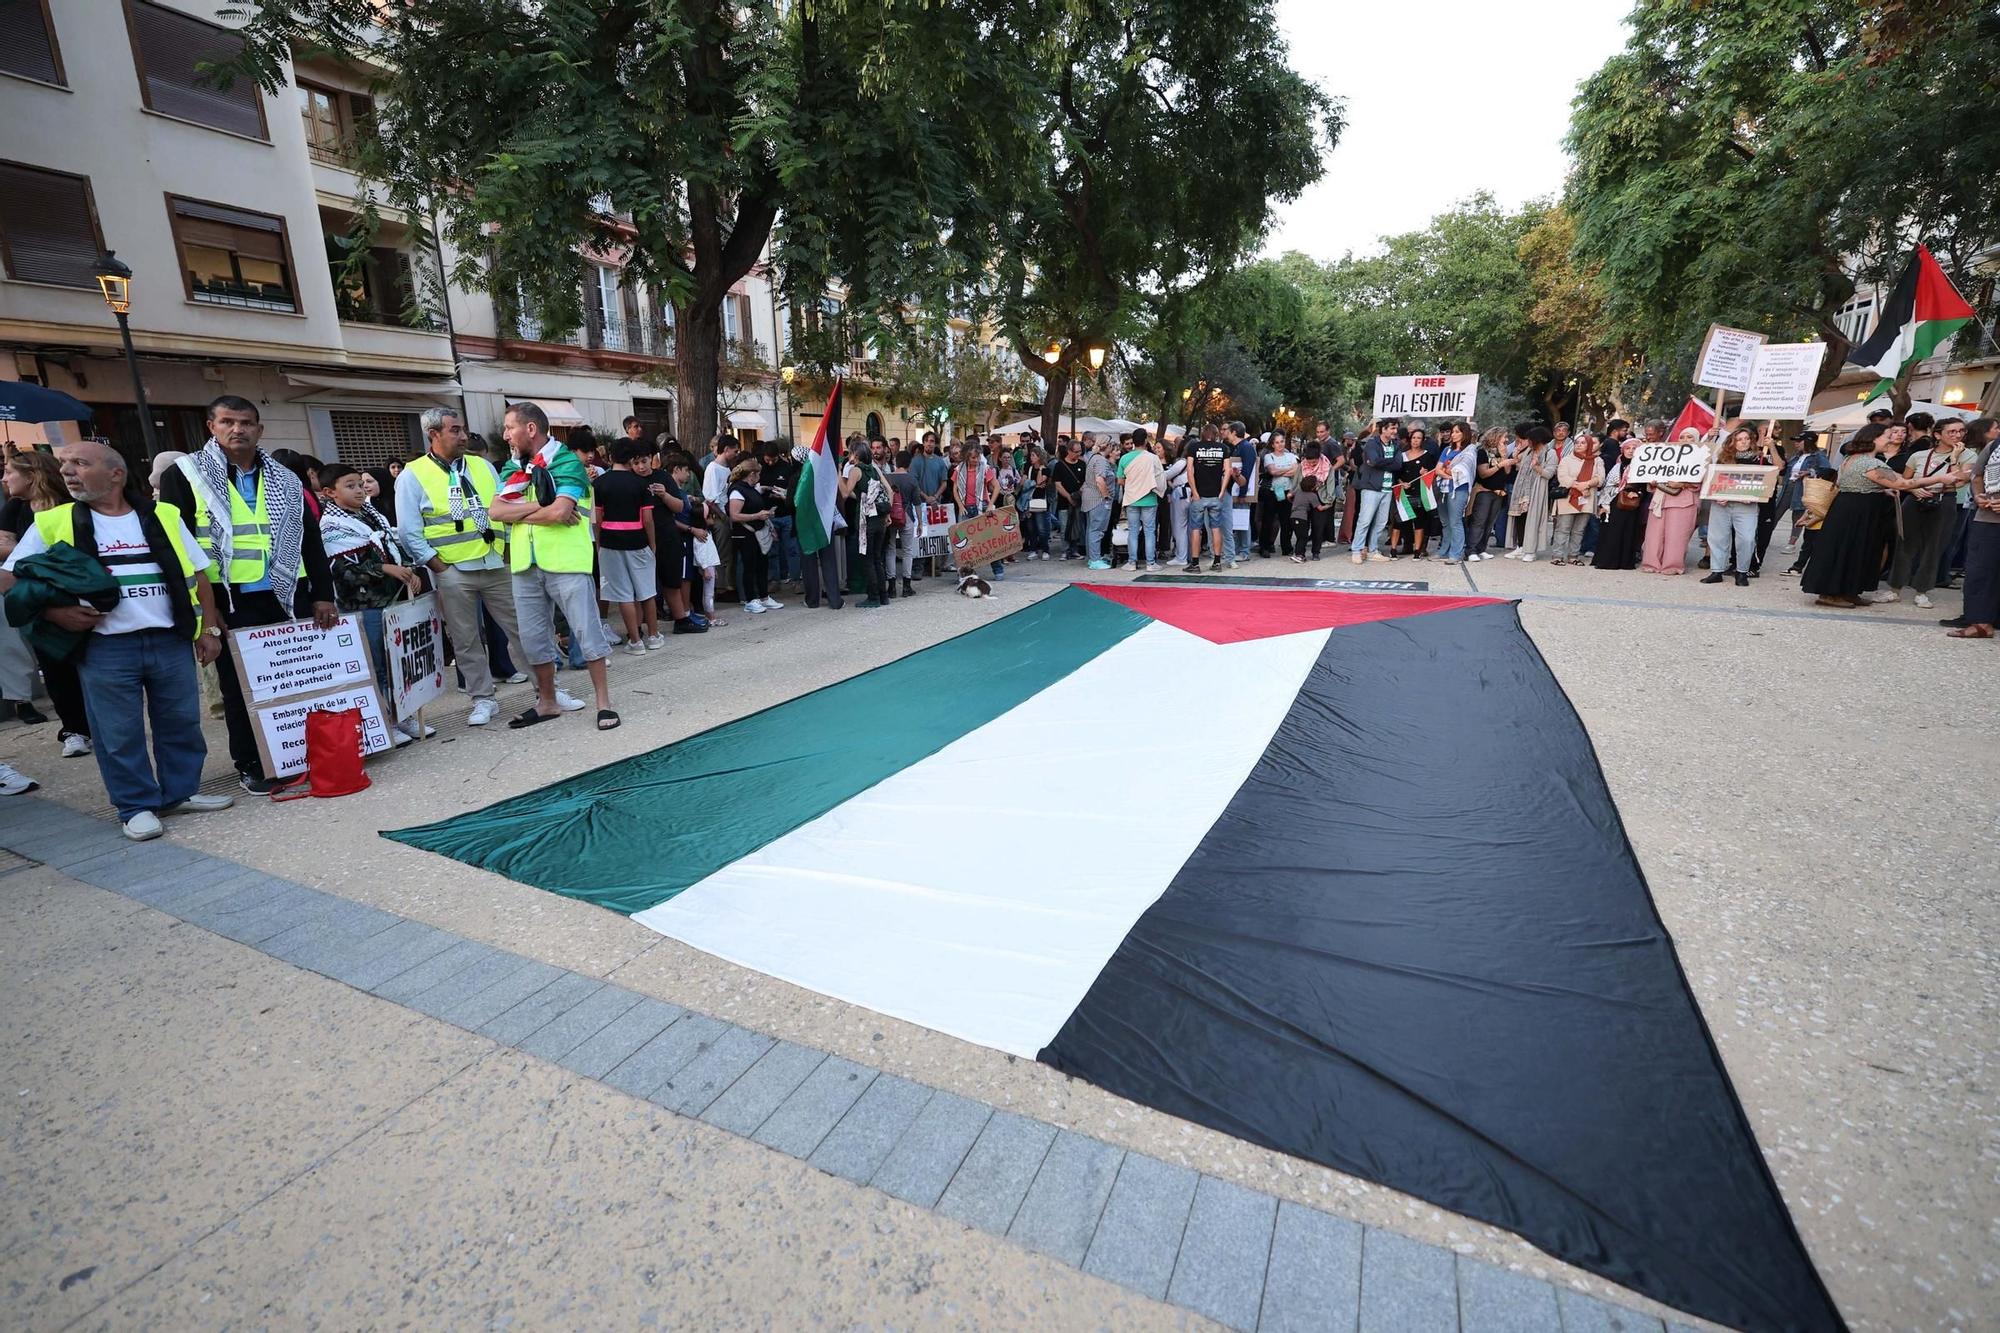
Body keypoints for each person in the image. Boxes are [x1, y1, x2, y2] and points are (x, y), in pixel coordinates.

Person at [0, 441, 231, 838]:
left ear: (116, 474)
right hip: (105, 646)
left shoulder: (163, 514)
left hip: (169, 639)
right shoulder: (53, 521)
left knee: (180, 723)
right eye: (64, 464)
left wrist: (209, 630)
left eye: (79, 463)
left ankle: (179, 793)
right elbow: (8, 578)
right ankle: (135, 806)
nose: (67, 471)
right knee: (118, 733)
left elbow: (199, 575)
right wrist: (55, 613)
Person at [156, 396, 338, 794]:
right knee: (239, 688)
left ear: (259, 429)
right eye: (227, 422)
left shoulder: (284, 478)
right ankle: (251, 763)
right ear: (211, 427)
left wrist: (323, 594)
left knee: (292, 679)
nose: (237, 429)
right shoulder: (185, 474)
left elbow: (310, 538)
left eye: (246, 422)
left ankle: (294, 754)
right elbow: (177, 546)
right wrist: (206, 609)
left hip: (287, 594)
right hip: (229, 599)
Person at [396, 407, 532, 727]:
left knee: (523, 628)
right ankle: (483, 698)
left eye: (463, 430)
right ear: (434, 434)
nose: (463, 436)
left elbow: (504, 509)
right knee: (465, 638)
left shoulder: (482, 466)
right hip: (454, 570)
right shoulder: (412, 475)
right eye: (455, 430)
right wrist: (438, 566)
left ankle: (547, 690)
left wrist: (507, 552)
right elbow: (409, 531)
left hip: (495, 562)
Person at [488, 401, 617, 730]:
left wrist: (526, 510)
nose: (505, 435)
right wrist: (541, 505)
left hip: (566, 561)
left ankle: (604, 703)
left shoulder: (566, 462)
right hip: (525, 565)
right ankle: (547, 702)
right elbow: (496, 512)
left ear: (530, 429)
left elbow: (561, 512)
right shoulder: (512, 467)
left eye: (510, 427)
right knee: (533, 639)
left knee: (587, 632)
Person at [318, 462, 431, 743]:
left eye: (360, 484)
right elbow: (342, 570)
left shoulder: (372, 515)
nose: (359, 490)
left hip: (393, 600)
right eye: (350, 486)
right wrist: (384, 569)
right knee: (377, 665)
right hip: (364, 605)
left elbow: (393, 547)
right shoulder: (332, 525)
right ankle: (384, 722)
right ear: (330, 492)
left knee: (397, 662)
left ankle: (403, 715)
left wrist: (408, 572)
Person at [1801, 424, 1961, 609]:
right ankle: (1832, 594)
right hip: (1858, 512)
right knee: (1850, 551)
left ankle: (1846, 591)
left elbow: (1858, 482)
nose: (1891, 440)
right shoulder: (1870, 463)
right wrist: (1939, 478)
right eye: (1887, 436)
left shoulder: (1852, 458)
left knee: (1850, 551)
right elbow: (1903, 483)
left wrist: (1882, 490)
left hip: (1849, 509)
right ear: (1873, 438)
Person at [0, 449, 87, 748]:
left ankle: (98, 725)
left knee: (88, 665)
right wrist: (42, 552)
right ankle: (74, 730)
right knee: (54, 667)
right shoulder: (15, 508)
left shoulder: (72, 505)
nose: (4, 478)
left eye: (9, 472)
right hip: (38, 600)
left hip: (77, 595)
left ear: (31, 475)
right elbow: (4, 548)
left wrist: (32, 554)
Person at [1888, 419, 1968, 609]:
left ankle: (1922, 591)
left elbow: (1959, 481)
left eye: (1961, 431)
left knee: (1934, 546)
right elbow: (1904, 480)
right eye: (1952, 431)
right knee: (1904, 543)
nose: (1957, 435)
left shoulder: (1968, 455)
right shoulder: (1919, 455)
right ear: (1937, 434)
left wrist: (1954, 458)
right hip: (1915, 500)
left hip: (1944, 499)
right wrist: (1914, 489)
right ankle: (1894, 589)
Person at [595, 438, 664, 652]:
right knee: (646, 591)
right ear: (632, 458)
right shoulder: (641, 484)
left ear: (610, 457)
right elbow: (648, 520)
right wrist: (652, 543)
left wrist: (599, 544)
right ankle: (653, 636)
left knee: (623, 594)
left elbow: (597, 519)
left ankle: (635, 641)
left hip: (610, 542)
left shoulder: (599, 483)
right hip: (638, 540)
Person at [1946, 417, 1999, 638]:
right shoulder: (1994, 446)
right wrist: (1979, 496)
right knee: (1980, 570)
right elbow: (1977, 475)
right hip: (1988, 518)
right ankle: (1981, 622)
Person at [1640, 429, 1704, 575]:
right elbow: (1653, 474)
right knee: (1654, 534)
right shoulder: (1666, 455)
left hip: (1684, 500)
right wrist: (1652, 481)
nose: (1685, 439)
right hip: (1660, 498)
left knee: (1677, 534)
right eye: (1682, 437)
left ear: (1696, 440)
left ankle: (1672, 565)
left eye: (1690, 437)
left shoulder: (1701, 457)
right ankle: (1651, 563)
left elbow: (1704, 480)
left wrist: (1683, 484)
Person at [841, 436, 893, 608]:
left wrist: (838, 475)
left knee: (867, 559)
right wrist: (887, 514)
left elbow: (845, 493)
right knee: (877, 558)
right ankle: (883, 595)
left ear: (856, 455)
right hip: (880, 519)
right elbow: (889, 491)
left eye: (851, 453)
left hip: (866, 521)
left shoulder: (855, 471)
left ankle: (873, 597)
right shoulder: (874, 469)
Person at [727, 457, 783, 613]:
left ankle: (764, 597)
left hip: (757, 532)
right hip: (745, 534)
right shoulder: (737, 490)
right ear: (752, 474)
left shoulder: (750, 488)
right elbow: (734, 515)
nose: (759, 477)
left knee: (762, 565)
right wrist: (757, 516)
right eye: (758, 474)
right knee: (749, 567)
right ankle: (750, 599)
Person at [1591, 433, 1649, 571]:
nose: (1630, 451)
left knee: (1628, 531)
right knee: (1611, 530)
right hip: (1614, 501)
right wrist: (1604, 503)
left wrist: (1637, 492)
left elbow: (1644, 486)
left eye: (1634, 448)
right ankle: (1608, 561)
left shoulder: (1642, 467)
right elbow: (1608, 484)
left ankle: (1624, 561)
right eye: (1627, 448)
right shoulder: (1617, 466)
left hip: (1631, 503)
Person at [1350, 419, 1402, 564]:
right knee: (1365, 520)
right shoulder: (1372, 444)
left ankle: (1373, 550)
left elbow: (1398, 464)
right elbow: (1373, 461)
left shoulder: (1396, 444)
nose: (1395, 431)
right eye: (1392, 428)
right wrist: (1388, 462)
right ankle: (1357, 550)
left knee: (1381, 522)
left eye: (1396, 428)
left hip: (1388, 488)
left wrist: (1381, 462)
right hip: (1371, 487)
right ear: (1383, 429)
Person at [1184, 428, 1234, 572]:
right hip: (1216, 495)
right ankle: (1217, 562)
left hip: (1199, 495)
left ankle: (1195, 563)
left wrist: (1194, 491)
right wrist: (1222, 491)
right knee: (1216, 528)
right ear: (1216, 435)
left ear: (1203, 434)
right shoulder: (1223, 448)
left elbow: (1189, 470)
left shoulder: (1194, 447)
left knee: (1196, 529)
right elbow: (1228, 471)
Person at [1504, 426, 1556, 559]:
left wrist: (1536, 466)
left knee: (1532, 520)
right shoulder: (1529, 451)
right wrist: (1516, 454)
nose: (1528, 441)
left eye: (1530, 439)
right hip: (1522, 490)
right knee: (1520, 518)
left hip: (1536, 491)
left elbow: (1549, 474)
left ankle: (1531, 550)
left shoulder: (1550, 453)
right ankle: (1520, 546)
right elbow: (1519, 463)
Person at [1548, 433, 1600, 565]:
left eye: (1583, 443)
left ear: (1589, 445)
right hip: (1568, 499)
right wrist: (1579, 486)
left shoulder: (1597, 460)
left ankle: (1573, 556)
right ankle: (1557, 556)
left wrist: (1586, 485)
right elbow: (1562, 477)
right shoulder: (1566, 459)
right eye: (1577, 442)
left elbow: (1600, 478)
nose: (1579, 445)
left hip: (1587, 499)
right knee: (1563, 528)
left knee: (1579, 530)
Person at [1117, 428, 1164, 571]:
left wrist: (1133, 484)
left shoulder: (1124, 458)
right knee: (1149, 531)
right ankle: (1150, 563)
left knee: (1133, 531)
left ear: (1133, 441)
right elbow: (1160, 479)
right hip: (1149, 499)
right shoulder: (1153, 458)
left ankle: (1132, 562)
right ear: (1145, 441)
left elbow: (1120, 480)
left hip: (1131, 499)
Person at [701, 435, 741, 599]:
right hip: (719, 515)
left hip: (726, 513)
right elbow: (710, 498)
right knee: (723, 552)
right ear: (726, 449)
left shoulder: (727, 468)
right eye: (735, 451)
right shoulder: (713, 468)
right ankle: (721, 588)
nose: (736, 454)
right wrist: (723, 516)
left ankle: (728, 585)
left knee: (729, 552)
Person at [1466, 427, 1513, 563]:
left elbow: (1508, 471)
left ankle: (1481, 549)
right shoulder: (1483, 452)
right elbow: (1483, 473)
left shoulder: (1502, 452)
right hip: (1484, 491)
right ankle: (1471, 550)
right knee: (1479, 521)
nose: (1506, 440)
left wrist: (1504, 456)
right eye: (1504, 437)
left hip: (1498, 491)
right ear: (1495, 437)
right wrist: (1500, 465)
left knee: (1490, 522)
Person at [1435, 422, 1477, 563]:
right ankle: (1444, 551)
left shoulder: (1470, 451)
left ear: (1465, 433)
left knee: (1455, 521)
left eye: (1457, 432)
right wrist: (1447, 474)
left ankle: (1456, 554)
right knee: (1445, 522)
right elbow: (1438, 469)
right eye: (1453, 432)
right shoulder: (1447, 450)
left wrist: (1447, 471)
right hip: (1444, 488)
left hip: (1459, 490)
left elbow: (1462, 471)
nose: (1453, 435)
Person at [761, 442, 801, 588]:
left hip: (785, 513)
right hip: (769, 514)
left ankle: (796, 579)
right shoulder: (760, 468)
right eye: (767, 460)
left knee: (792, 549)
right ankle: (774, 580)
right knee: (772, 550)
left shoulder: (786, 468)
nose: (770, 463)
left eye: (773, 459)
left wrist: (784, 495)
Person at [1291, 437, 1334, 561]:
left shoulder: (1327, 466)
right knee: (1303, 527)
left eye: (1314, 462)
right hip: (1304, 497)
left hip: (1320, 497)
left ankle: (1316, 552)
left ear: (1319, 457)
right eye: (1309, 462)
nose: (1311, 465)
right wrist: (1292, 493)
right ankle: (1300, 553)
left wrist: (1329, 499)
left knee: (1318, 527)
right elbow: (1296, 481)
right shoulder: (1302, 465)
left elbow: (1330, 483)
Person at [1257, 430, 1298, 558]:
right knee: (1268, 519)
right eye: (1277, 442)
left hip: (1287, 490)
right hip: (1273, 490)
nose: (1280, 444)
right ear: (1273, 444)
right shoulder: (1269, 457)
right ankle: (1265, 546)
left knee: (1286, 521)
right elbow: (1273, 471)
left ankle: (1286, 547)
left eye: (1282, 441)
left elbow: (1296, 471)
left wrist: (1281, 471)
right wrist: (1288, 470)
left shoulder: (1291, 456)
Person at [1080, 435, 1117, 571]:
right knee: (1097, 530)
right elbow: (1100, 480)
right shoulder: (1101, 461)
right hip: (1098, 499)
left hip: (1090, 498)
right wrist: (1106, 496)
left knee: (1091, 529)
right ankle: (1095, 559)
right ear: (1107, 446)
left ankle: (1093, 557)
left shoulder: (1093, 458)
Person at [1224, 422, 1257, 561]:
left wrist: (1243, 494)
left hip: (1241, 491)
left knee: (1242, 520)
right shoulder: (1238, 447)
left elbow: (1247, 472)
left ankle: (1244, 551)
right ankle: (1238, 549)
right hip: (1235, 490)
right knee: (1237, 521)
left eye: (1228, 431)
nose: (1226, 434)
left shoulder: (1246, 447)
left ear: (1234, 432)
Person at [1050, 439, 1085, 560]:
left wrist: (1079, 493)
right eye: (1076, 451)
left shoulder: (1082, 464)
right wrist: (1069, 497)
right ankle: (1065, 550)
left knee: (1077, 526)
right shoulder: (1059, 465)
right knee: (1065, 527)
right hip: (1064, 502)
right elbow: (1058, 484)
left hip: (1078, 500)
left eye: (1080, 451)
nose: (1078, 454)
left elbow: (1085, 481)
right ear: (1069, 451)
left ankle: (1074, 549)